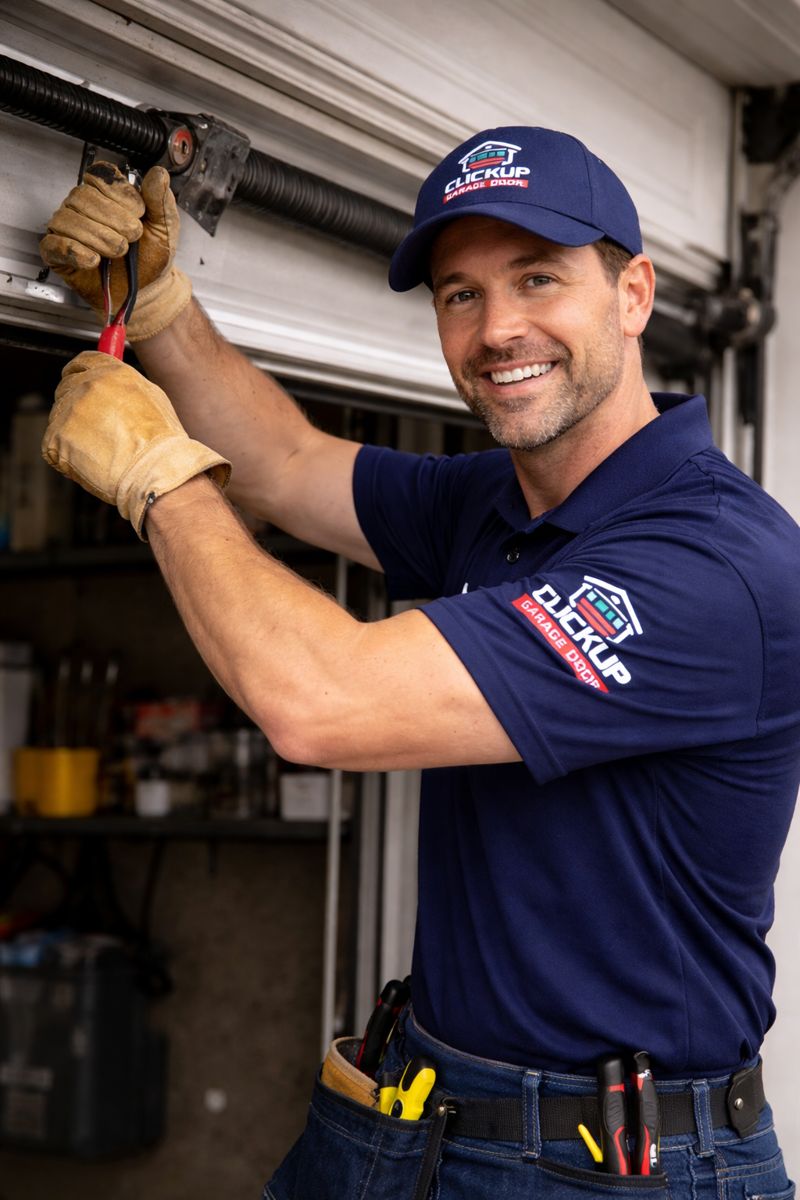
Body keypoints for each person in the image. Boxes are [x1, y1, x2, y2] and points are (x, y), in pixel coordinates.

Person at [40, 126, 799, 1197]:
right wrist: (157, 305)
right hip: (418, 1111)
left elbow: (321, 704)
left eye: (537, 278)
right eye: (458, 294)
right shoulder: (492, 497)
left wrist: (160, 480)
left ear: (632, 293)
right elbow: (289, 465)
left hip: (615, 1167)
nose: (497, 330)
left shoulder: (711, 567)